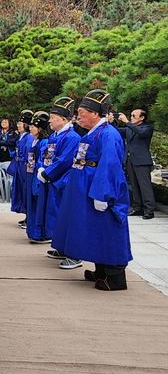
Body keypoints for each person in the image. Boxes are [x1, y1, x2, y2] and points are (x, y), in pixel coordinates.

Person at [52, 90, 132, 291]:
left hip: (99, 189)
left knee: (106, 229)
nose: (77, 116)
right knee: (93, 229)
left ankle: (115, 278)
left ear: (95, 113)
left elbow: (109, 165)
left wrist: (103, 194)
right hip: (85, 187)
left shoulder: (108, 134)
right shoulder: (93, 132)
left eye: (81, 112)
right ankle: (100, 270)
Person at [38, 97, 82, 268]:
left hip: (63, 181)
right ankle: (61, 247)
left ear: (63, 119)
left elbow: (64, 161)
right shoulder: (55, 136)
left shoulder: (72, 137)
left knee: (66, 217)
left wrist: (47, 174)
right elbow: (47, 157)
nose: (50, 120)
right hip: (53, 179)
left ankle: (74, 253)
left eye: (53, 118)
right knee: (56, 216)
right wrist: (42, 169)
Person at [117, 109, 156, 219]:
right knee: (134, 185)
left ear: (142, 118)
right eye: (131, 115)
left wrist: (126, 122)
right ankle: (138, 207)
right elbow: (118, 131)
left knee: (145, 186)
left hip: (142, 161)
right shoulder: (130, 128)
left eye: (134, 116)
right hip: (130, 160)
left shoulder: (147, 128)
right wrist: (111, 122)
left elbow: (141, 132)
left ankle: (149, 210)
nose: (131, 117)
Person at [25, 111, 51, 244]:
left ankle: (40, 233)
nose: (31, 128)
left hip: (37, 174)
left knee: (39, 204)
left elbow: (43, 159)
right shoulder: (33, 140)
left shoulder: (44, 142)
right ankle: (32, 231)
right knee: (32, 204)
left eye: (33, 126)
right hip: (30, 172)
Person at [7, 110, 33, 228]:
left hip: (24, 165)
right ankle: (26, 215)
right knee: (21, 190)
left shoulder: (29, 137)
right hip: (19, 165)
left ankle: (29, 217)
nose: (18, 125)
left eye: (21, 123)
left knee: (26, 190)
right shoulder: (22, 136)